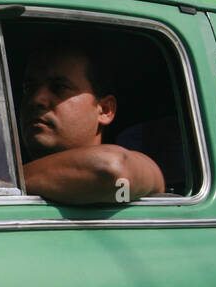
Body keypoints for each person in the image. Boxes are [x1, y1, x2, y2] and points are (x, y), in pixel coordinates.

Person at [19, 33, 165, 203]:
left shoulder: (135, 166)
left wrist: (4, 184)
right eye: (29, 88)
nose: (37, 99)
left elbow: (113, 171)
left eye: (59, 87)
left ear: (104, 110)